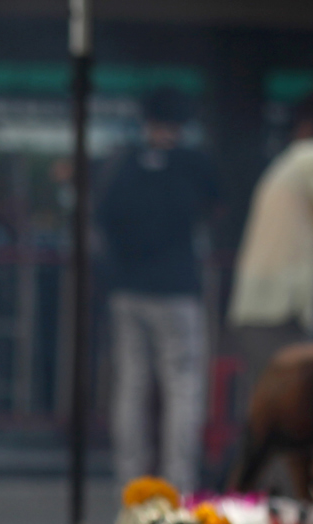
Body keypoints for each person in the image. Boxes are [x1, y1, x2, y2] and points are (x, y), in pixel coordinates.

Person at [96, 86, 218, 493]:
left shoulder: (123, 164)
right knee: (182, 385)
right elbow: (213, 206)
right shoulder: (193, 163)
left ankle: (130, 481)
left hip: (127, 289)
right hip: (177, 288)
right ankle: (178, 482)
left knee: (131, 385)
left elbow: (103, 216)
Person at [227, 91, 313, 405]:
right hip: (280, 309)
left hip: (261, 305)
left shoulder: (294, 158)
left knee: (266, 408)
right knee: (287, 410)